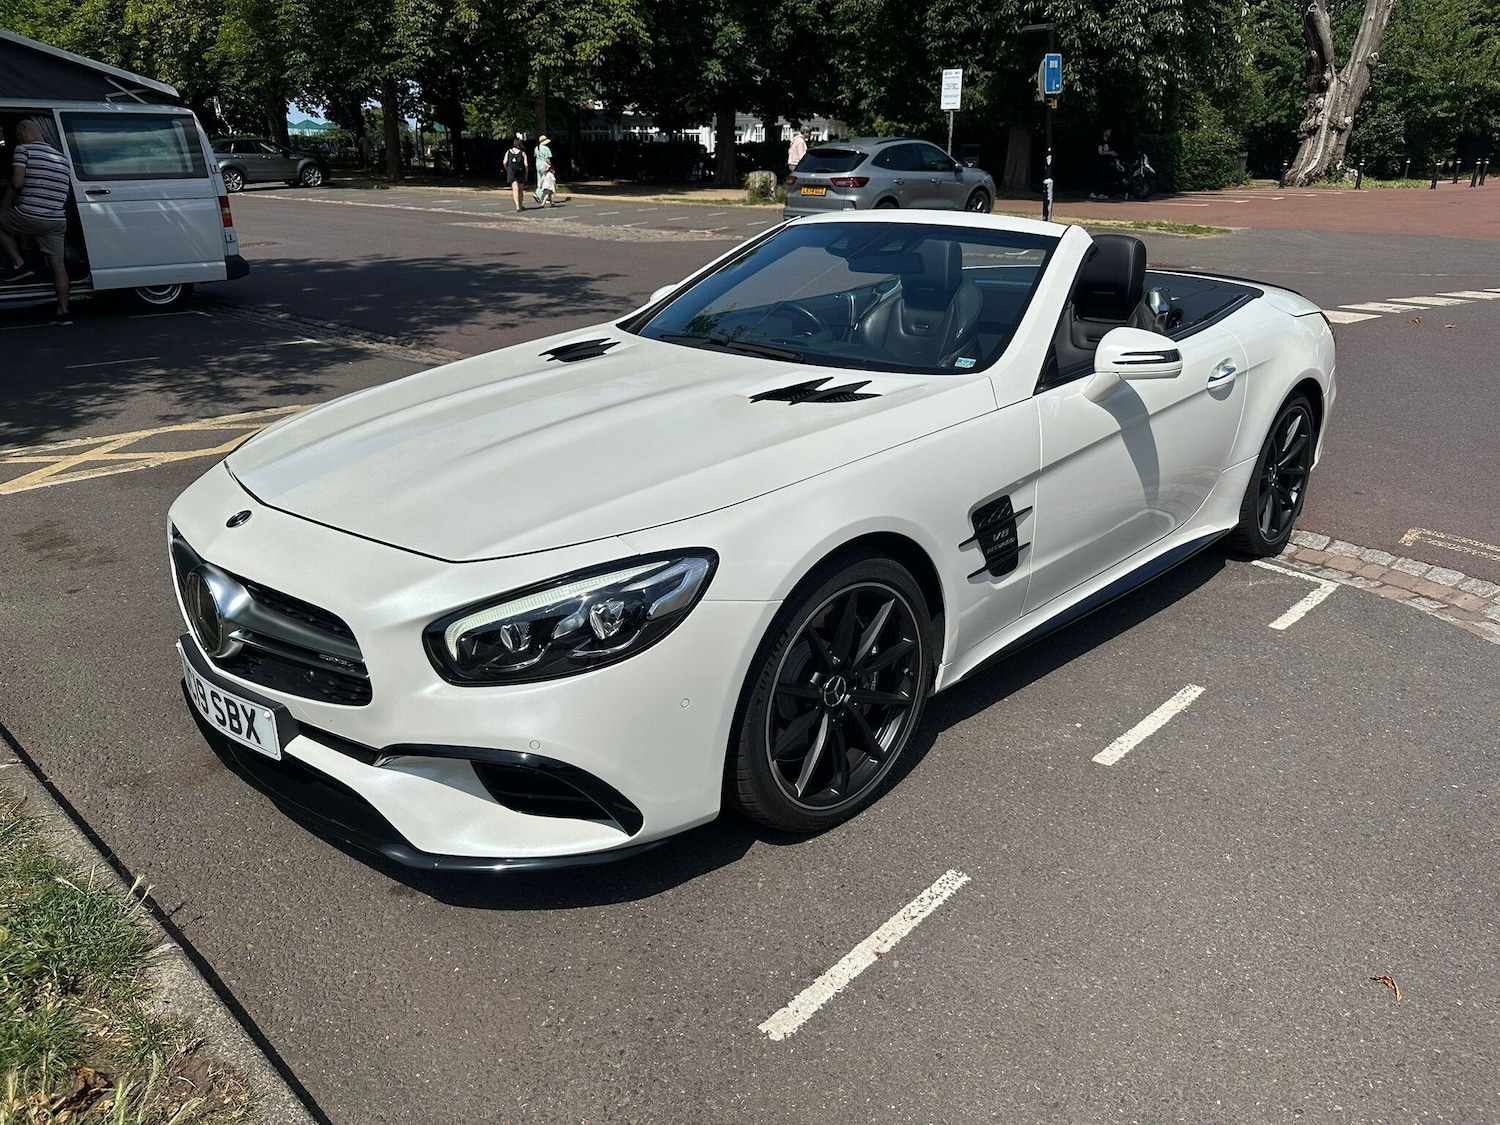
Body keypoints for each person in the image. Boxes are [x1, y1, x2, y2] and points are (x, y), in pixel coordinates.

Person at [0, 118, 73, 323]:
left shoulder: (24, 150)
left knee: (1, 221)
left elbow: (17, 182)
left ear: (23, 133)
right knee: (58, 264)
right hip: (56, 219)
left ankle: (20, 264)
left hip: (30, 216)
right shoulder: (61, 157)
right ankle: (64, 312)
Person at [1091, 128, 1119, 200]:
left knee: (1105, 178)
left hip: (1106, 163)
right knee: (1101, 178)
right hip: (1101, 163)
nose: (1109, 133)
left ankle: (1099, 193)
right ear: (1104, 132)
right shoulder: (1101, 141)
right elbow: (1100, 152)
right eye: (1108, 131)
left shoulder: (1108, 142)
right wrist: (1110, 153)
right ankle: (1099, 193)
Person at [505, 133, 529, 212]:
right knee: (520, 190)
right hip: (520, 171)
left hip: (511, 171)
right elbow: (526, 165)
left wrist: (507, 169)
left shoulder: (508, 152)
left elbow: (504, 162)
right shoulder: (522, 153)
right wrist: (526, 174)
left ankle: (517, 207)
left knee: (515, 189)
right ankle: (521, 204)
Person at [532, 133, 552, 200]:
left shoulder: (536, 148)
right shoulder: (546, 148)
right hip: (544, 165)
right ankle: (539, 195)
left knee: (540, 180)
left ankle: (538, 194)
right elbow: (547, 159)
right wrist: (550, 165)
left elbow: (535, 156)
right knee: (546, 181)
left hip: (538, 165)